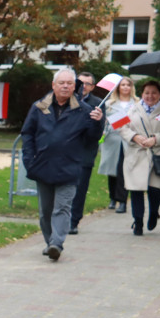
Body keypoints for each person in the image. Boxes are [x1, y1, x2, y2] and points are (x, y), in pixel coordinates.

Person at [21, 68, 104, 261]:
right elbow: (27, 134)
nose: (65, 86)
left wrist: (99, 122)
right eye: (61, 83)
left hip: (69, 168)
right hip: (43, 166)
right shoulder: (39, 107)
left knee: (62, 208)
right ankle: (50, 241)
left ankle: (57, 244)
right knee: (45, 212)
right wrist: (29, 161)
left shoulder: (84, 111)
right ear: (53, 85)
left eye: (69, 83)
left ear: (75, 87)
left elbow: (92, 138)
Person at [120, 80, 160, 236]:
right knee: (136, 190)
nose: (150, 96)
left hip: (157, 155)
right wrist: (134, 137)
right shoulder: (132, 109)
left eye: (154, 93)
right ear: (141, 94)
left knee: (155, 190)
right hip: (137, 154)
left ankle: (154, 212)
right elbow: (121, 127)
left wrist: (155, 139)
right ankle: (138, 222)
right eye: (147, 93)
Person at [97, 77, 138, 214]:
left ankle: (122, 201)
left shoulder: (137, 103)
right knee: (112, 170)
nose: (125, 87)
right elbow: (104, 121)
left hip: (129, 139)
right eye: (122, 85)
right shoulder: (109, 103)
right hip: (113, 139)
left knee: (124, 170)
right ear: (118, 88)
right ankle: (112, 198)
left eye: (128, 85)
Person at [69, 71, 101, 234]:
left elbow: (97, 134)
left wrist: (96, 121)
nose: (83, 87)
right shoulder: (68, 100)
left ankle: (74, 220)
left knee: (80, 189)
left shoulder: (98, 104)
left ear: (92, 87)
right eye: (80, 83)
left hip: (85, 153)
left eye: (87, 84)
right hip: (66, 152)